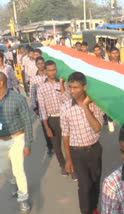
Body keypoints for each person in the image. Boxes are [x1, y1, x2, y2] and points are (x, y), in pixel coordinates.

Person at [61, 72, 105, 214]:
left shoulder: (95, 105)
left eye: (76, 87)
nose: (72, 91)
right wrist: (68, 159)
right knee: (84, 186)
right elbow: (65, 135)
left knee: (95, 183)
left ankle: (93, 209)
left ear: (84, 87)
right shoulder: (65, 107)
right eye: (70, 87)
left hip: (94, 150)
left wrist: (86, 107)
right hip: (77, 153)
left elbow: (97, 127)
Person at [0, 72, 32, 212]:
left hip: (17, 139)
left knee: (18, 170)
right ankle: (13, 182)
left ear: (1, 82)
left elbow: (27, 121)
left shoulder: (17, 98)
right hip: (1, 141)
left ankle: (23, 198)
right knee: (5, 169)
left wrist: (28, 143)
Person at [37, 60, 71, 177]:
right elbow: (42, 109)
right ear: (45, 71)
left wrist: (61, 85)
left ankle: (71, 165)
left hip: (65, 117)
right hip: (52, 120)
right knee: (57, 146)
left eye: (54, 70)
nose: (53, 72)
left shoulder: (63, 83)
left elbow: (67, 100)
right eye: (50, 70)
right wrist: (47, 127)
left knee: (70, 143)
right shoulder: (41, 88)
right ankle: (63, 166)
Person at [29, 56, 53, 156]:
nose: (41, 65)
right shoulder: (34, 79)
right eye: (38, 63)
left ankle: (56, 144)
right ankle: (50, 147)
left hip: (51, 104)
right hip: (41, 106)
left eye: (42, 63)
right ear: (36, 65)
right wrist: (35, 107)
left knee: (54, 125)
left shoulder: (49, 76)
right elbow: (32, 93)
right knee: (45, 126)